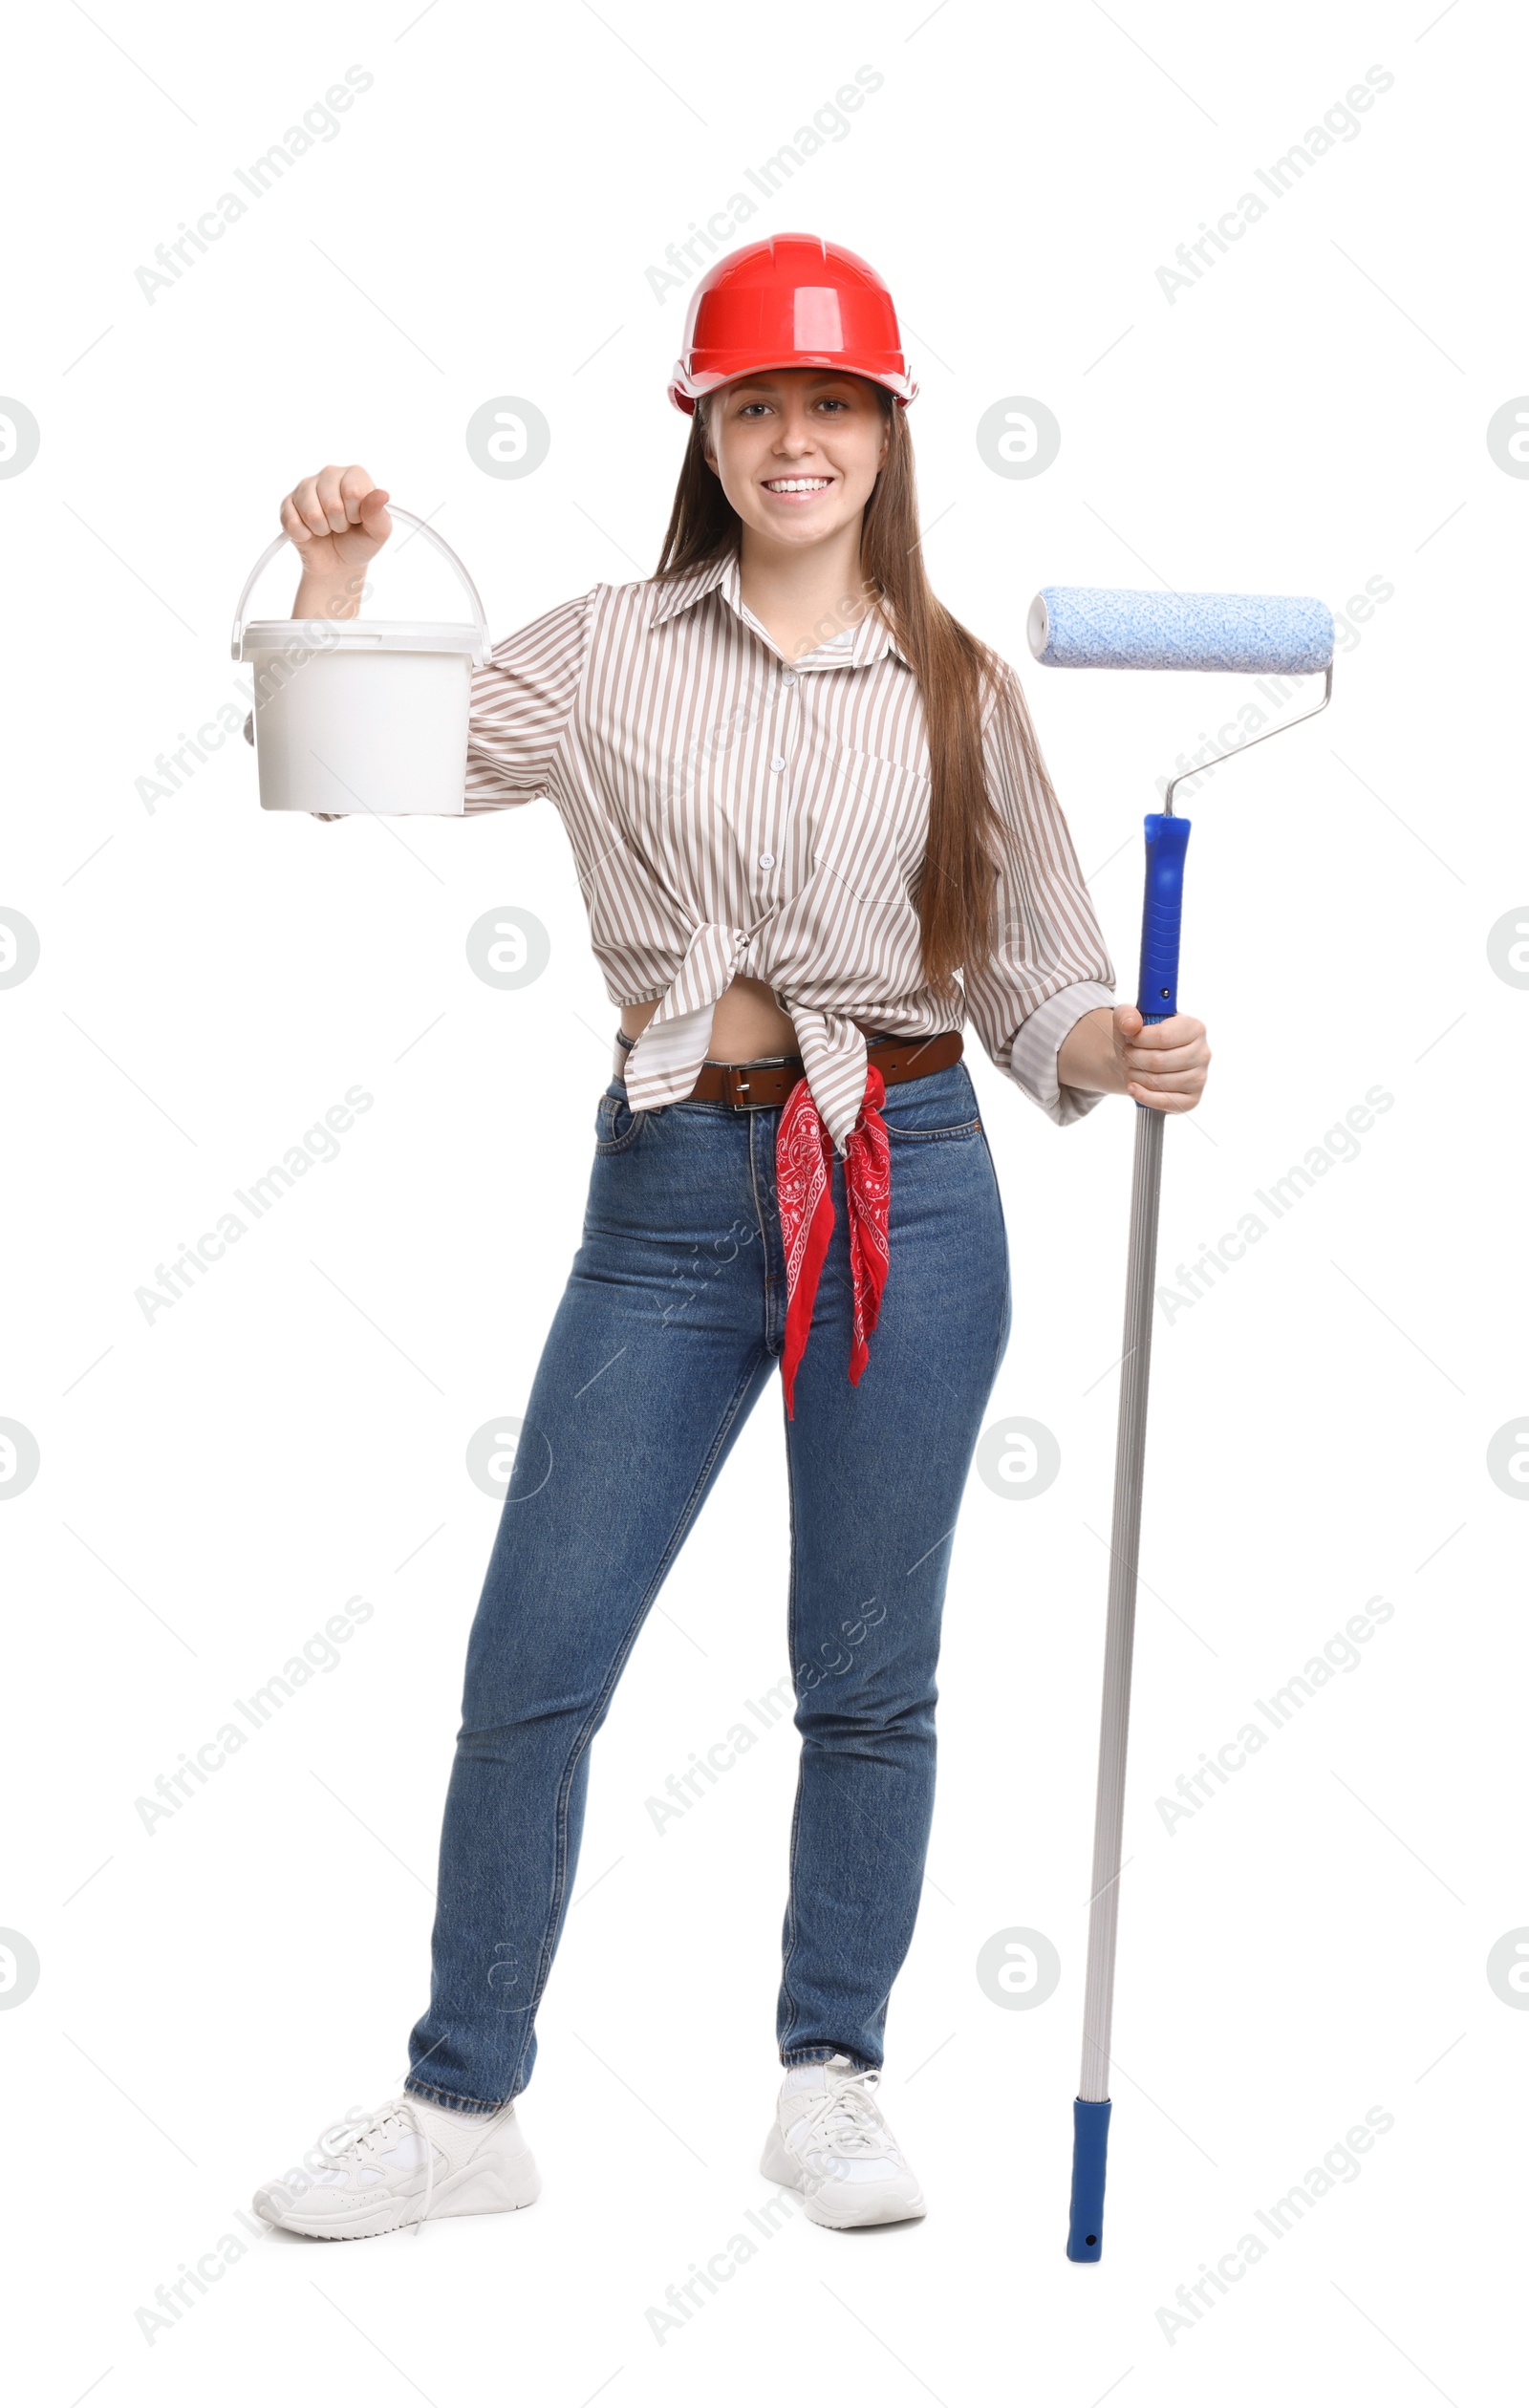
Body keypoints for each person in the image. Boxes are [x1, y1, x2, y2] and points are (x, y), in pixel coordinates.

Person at [251, 233, 1210, 2243]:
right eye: (758, 402)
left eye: (833, 403)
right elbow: (365, 775)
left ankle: (829, 2075)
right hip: (675, 1196)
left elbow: (1035, 970)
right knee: (536, 1655)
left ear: (884, 433)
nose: (797, 437)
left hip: (913, 1185)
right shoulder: (601, 651)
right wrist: (335, 585)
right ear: (706, 428)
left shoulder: (957, 687)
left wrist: (1114, 1044)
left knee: (868, 1674)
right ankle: (461, 2114)